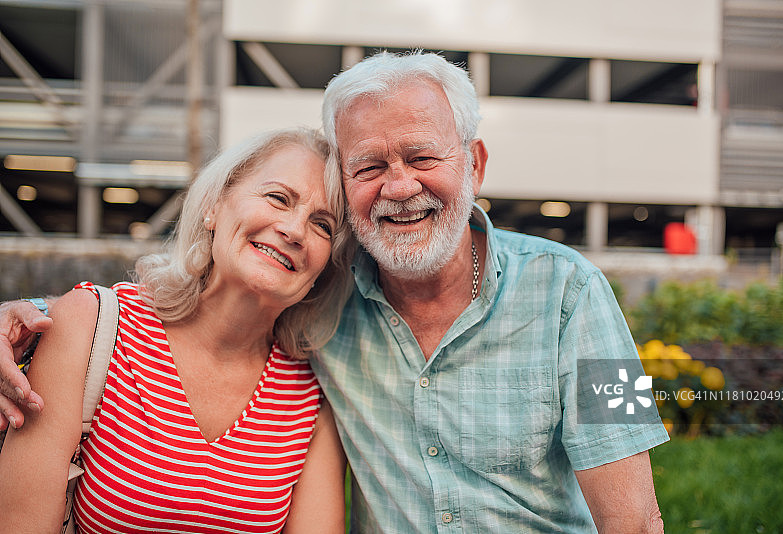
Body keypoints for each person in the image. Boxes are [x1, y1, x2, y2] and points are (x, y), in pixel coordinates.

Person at [0, 52, 669, 533]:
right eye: (370, 166)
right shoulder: (325, 314)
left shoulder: (576, 290)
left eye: (423, 157)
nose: (400, 186)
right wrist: (22, 317)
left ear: (476, 164)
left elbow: (636, 516)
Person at [0, 128, 350, 533]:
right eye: (277, 198)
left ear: (326, 269)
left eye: (322, 225)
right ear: (214, 207)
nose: (294, 230)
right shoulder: (92, 325)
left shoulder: (310, 396)